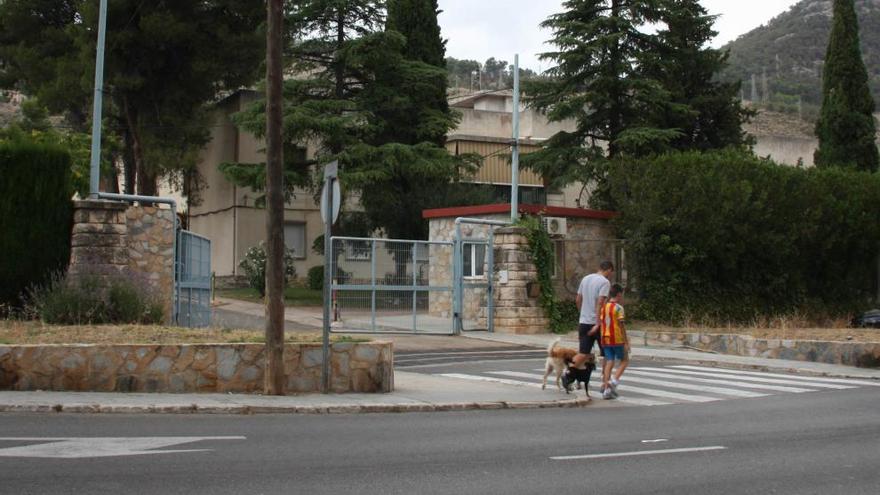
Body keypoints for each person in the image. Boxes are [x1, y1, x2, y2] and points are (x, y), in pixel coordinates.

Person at [562, 260, 614, 391]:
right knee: (607, 354)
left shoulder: (586, 279)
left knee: (583, 353)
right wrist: (598, 322)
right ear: (608, 270)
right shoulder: (605, 282)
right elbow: (601, 302)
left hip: (583, 321)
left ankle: (568, 373)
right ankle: (605, 383)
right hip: (598, 324)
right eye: (611, 272)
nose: (611, 275)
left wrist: (582, 313)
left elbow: (578, 299)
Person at [599, 284, 629, 399]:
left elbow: (602, 323)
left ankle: (606, 388)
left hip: (605, 338)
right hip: (617, 338)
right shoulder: (619, 308)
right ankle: (613, 382)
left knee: (609, 361)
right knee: (625, 360)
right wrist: (626, 341)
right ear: (619, 294)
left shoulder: (604, 307)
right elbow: (622, 326)